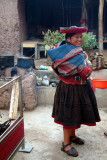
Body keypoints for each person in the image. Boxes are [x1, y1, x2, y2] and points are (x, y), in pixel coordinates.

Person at [46, 26, 101, 157]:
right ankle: (66, 144)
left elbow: (83, 70)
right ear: (69, 39)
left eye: (81, 37)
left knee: (75, 113)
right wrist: (88, 63)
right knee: (69, 115)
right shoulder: (71, 54)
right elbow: (86, 71)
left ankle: (72, 136)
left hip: (79, 86)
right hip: (69, 87)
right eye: (76, 37)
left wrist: (86, 62)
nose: (80, 39)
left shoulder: (74, 51)